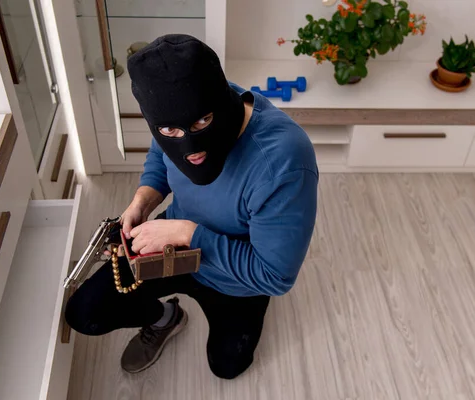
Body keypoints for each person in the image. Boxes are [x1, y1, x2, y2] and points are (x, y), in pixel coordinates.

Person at [65, 34, 318, 380]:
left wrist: (188, 233)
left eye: (202, 122)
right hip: (169, 246)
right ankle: (166, 318)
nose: (191, 145)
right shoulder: (178, 104)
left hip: (237, 281)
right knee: (85, 313)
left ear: (219, 102)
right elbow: (163, 152)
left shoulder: (283, 161)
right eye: (169, 129)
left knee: (228, 367)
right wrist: (144, 198)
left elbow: (275, 276)